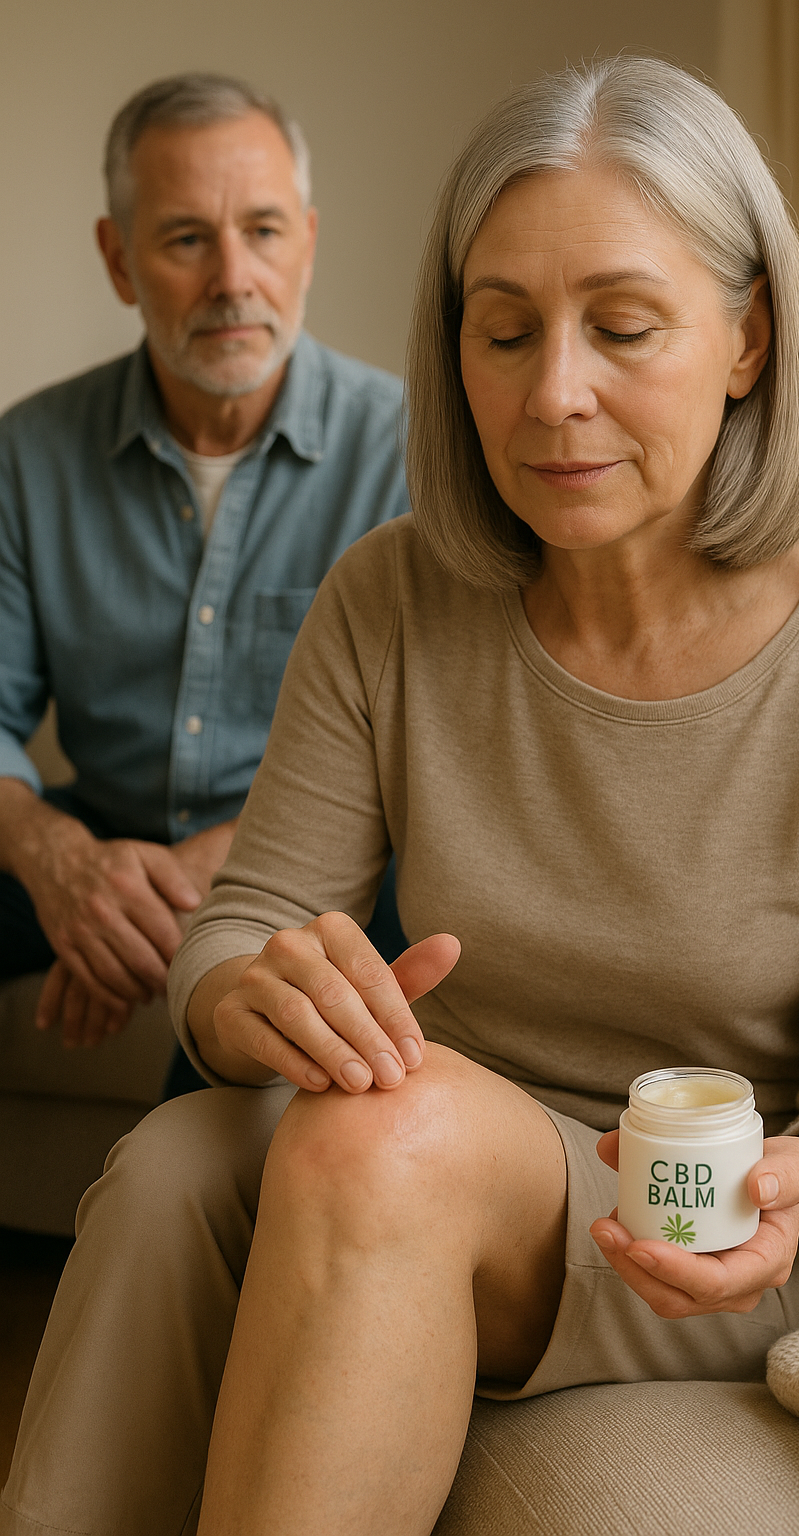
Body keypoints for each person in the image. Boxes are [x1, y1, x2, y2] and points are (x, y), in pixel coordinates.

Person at [1, 57, 799, 1536]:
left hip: (713, 1217)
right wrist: (251, 994)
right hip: (432, 1155)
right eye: (504, 331)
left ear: (748, 337)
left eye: (625, 326)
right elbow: (249, 924)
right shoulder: (394, 595)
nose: (555, 395)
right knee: (168, 1167)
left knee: (371, 1137)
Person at [0, 73, 407, 1055]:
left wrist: (188, 893)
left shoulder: (413, 453)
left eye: (263, 231)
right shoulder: (28, 453)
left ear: (306, 239)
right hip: (100, 827)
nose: (234, 278)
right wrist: (58, 860)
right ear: (119, 258)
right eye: (187, 238)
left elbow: (432, 756)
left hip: (326, 859)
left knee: (285, 975)